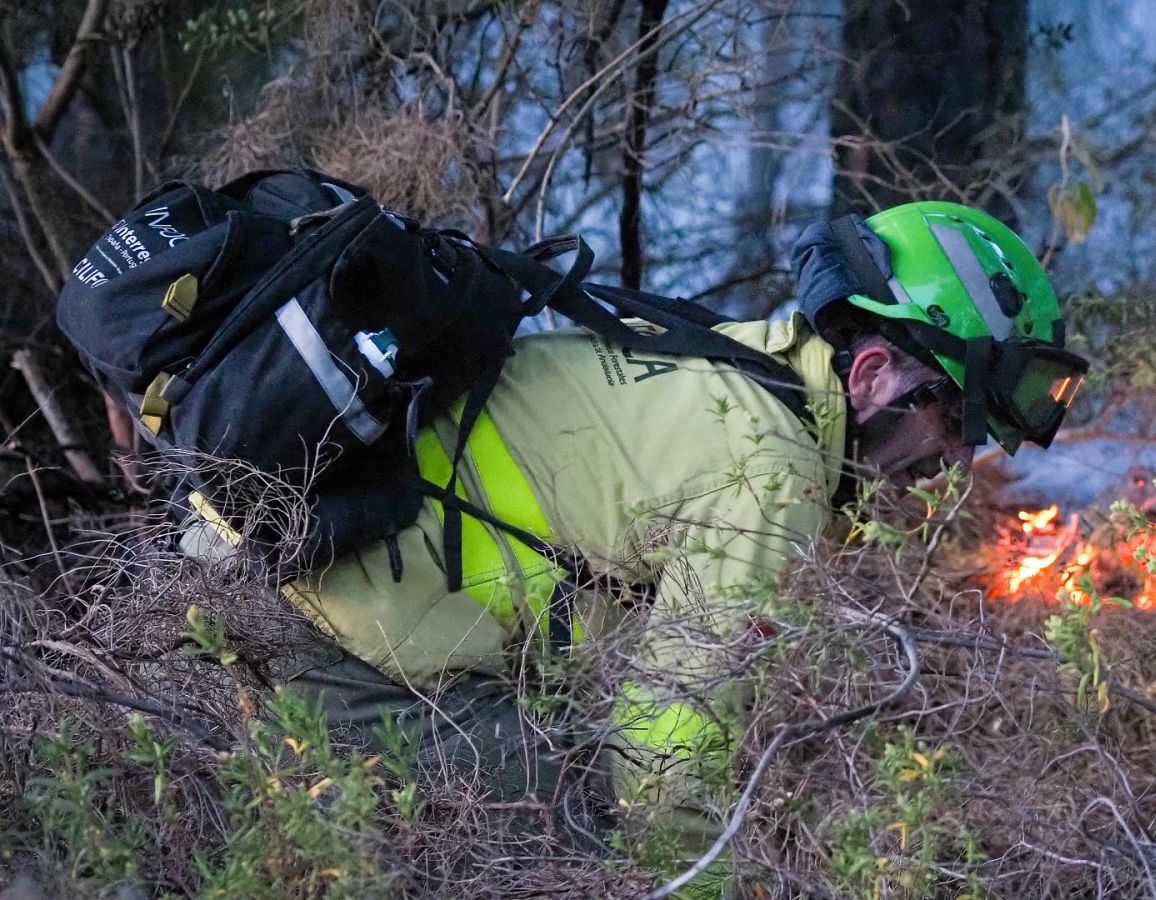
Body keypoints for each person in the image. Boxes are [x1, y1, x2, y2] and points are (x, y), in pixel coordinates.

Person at [259, 200, 1087, 897]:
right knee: (567, 822)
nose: (953, 465)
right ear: (870, 375)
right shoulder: (774, 468)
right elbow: (664, 771)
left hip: (299, 577)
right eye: (949, 422)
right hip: (331, 630)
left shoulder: (726, 365)